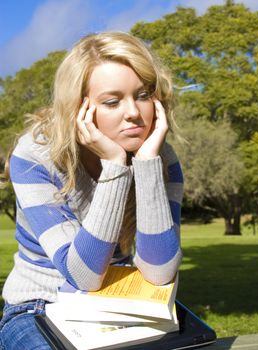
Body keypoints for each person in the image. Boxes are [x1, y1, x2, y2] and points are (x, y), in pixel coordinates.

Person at [0, 31, 184, 349]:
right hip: (39, 308)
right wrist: (114, 166)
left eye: (142, 95)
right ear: (79, 110)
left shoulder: (157, 158)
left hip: (123, 307)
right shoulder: (34, 156)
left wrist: (148, 164)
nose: (133, 113)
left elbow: (159, 272)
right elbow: (84, 274)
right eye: (112, 101)